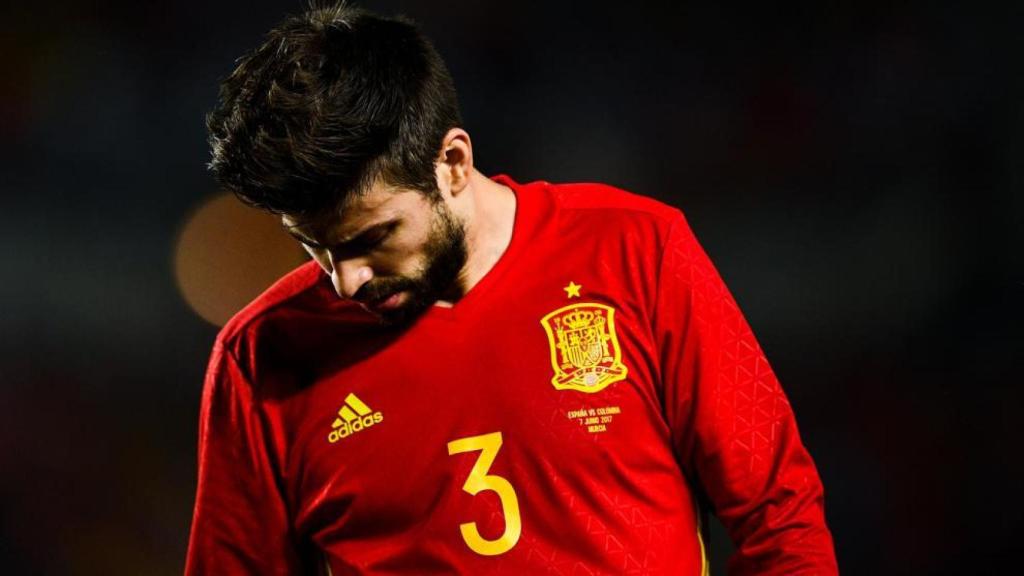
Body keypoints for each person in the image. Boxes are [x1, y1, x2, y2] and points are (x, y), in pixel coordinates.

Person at [185, 3, 838, 574]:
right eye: (314, 248)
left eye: (372, 239)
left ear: (453, 164)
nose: (346, 279)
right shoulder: (260, 356)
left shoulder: (638, 250)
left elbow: (780, 517)